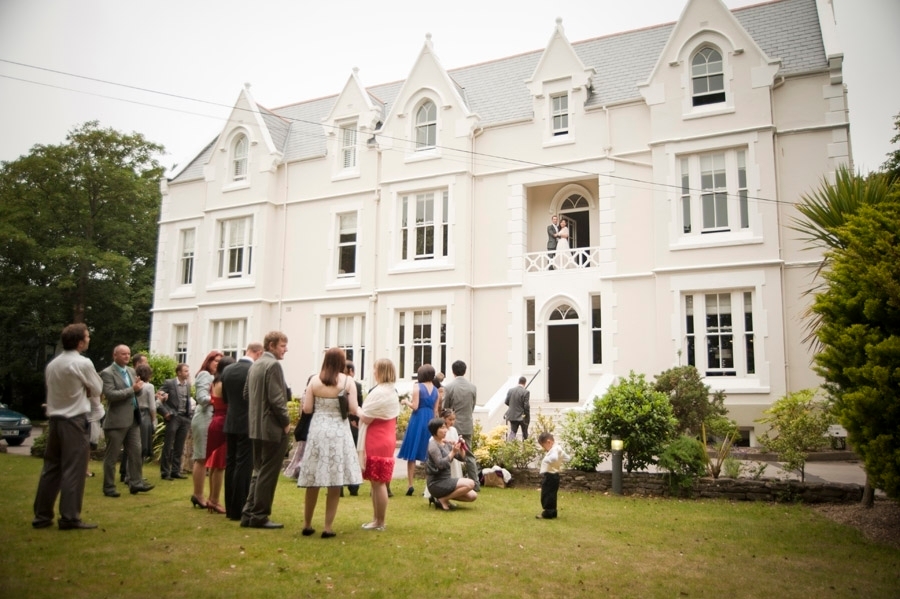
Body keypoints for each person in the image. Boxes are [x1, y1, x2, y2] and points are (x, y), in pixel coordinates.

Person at [33, 324, 103, 530]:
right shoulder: (82, 363)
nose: (89, 340)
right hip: (74, 420)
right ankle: (70, 517)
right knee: (74, 469)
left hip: (55, 420)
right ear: (80, 342)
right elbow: (97, 388)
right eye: (87, 337)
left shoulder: (53, 364)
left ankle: (42, 515)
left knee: (51, 468)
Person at [296, 347, 363, 538]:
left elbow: (307, 409)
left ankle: (307, 524)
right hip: (338, 430)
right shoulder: (347, 381)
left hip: (318, 429)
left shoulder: (314, 380)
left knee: (313, 479)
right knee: (335, 479)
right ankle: (327, 527)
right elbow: (353, 408)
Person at [241, 332, 291, 529]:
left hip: (255, 427)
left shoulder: (255, 365)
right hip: (271, 429)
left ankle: (248, 513)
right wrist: (286, 422)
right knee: (268, 473)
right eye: (282, 346)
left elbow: (246, 394)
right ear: (271, 345)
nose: (286, 349)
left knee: (258, 470)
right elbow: (277, 400)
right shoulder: (273, 365)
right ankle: (259, 515)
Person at [100, 345, 153, 498]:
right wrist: (132, 389)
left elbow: (137, 393)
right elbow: (110, 395)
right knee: (112, 456)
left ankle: (136, 483)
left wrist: (139, 388)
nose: (127, 356)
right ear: (114, 355)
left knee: (136, 452)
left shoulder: (131, 371)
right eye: (123, 354)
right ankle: (109, 486)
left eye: (129, 354)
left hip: (133, 419)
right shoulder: (108, 373)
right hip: (117, 420)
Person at [356, 358, 400, 531]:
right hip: (385, 437)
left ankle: (379, 521)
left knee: (379, 482)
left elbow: (367, 417)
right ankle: (376, 519)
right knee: (376, 482)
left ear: (381, 371)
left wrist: (356, 409)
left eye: (375, 369)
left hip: (377, 438)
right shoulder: (390, 391)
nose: (373, 372)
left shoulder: (381, 392)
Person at [222, 342, 263, 521]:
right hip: (247, 422)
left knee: (231, 463)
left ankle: (230, 507)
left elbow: (225, 398)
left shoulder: (227, 370)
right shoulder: (253, 370)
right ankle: (239, 508)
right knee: (244, 465)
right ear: (258, 353)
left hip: (231, 420)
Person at [396, 364, 439, 496]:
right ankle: (428, 485)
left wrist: (405, 402)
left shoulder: (417, 387)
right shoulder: (436, 390)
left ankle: (410, 485)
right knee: (428, 453)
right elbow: (436, 411)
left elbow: (415, 406)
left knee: (412, 453)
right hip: (430, 419)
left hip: (418, 419)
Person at [441, 360, 480, 491]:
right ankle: (475, 483)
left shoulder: (449, 387)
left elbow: (446, 408)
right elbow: (472, 406)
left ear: (453, 371)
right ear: (465, 371)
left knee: (448, 453)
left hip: (452, 425)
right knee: (469, 455)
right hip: (467, 423)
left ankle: (446, 480)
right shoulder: (472, 387)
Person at [425, 417, 477, 511]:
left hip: (446, 480)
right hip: (436, 483)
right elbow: (440, 464)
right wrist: (453, 452)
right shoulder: (433, 445)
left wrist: (460, 447)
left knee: (473, 496)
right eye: (442, 428)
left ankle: (442, 498)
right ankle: (443, 500)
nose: (445, 430)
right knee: (471, 483)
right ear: (434, 430)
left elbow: (462, 458)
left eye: (445, 427)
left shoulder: (446, 443)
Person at [191, 351, 222, 509]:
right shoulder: (205, 375)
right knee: (201, 457)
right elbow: (202, 398)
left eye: (220, 361)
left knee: (210, 458)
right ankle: (198, 495)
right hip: (203, 418)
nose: (218, 364)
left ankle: (209, 497)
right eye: (215, 361)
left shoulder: (216, 378)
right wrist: (218, 399)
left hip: (211, 419)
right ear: (208, 362)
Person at [205, 355, 235, 514]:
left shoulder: (215, 382)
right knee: (220, 465)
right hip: (223, 422)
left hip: (215, 420)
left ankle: (212, 498)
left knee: (214, 463)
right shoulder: (224, 383)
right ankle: (215, 500)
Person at [157, 363, 192, 485]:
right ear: (179, 373)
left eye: (188, 371)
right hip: (173, 417)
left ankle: (175, 471)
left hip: (185, 418)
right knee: (168, 444)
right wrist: (165, 412)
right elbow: (158, 396)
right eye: (185, 371)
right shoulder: (169, 383)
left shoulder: (188, 385)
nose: (188, 373)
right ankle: (165, 472)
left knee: (179, 445)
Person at [536, 432, 571, 520]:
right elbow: (567, 458)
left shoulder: (554, 450)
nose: (544, 448)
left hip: (549, 476)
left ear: (549, 442)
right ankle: (553, 512)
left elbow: (554, 458)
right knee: (552, 494)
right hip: (555, 476)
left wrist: (545, 460)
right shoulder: (559, 449)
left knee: (546, 494)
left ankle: (547, 513)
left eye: (543, 446)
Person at [344, 360, 364, 497]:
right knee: (354, 455)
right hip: (352, 423)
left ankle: (338, 487)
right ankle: (354, 486)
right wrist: (356, 421)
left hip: (341, 421)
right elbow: (358, 405)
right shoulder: (356, 385)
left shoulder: (333, 382)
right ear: (351, 371)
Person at [505, 376, 530, 441]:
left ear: (518, 382)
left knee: (513, 432)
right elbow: (526, 406)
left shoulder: (510, 390)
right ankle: (525, 446)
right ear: (525, 383)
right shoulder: (526, 392)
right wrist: (527, 416)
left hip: (512, 415)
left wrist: (513, 407)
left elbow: (506, 402)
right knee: (524, 433)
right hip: (522, 416)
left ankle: (510, 445)